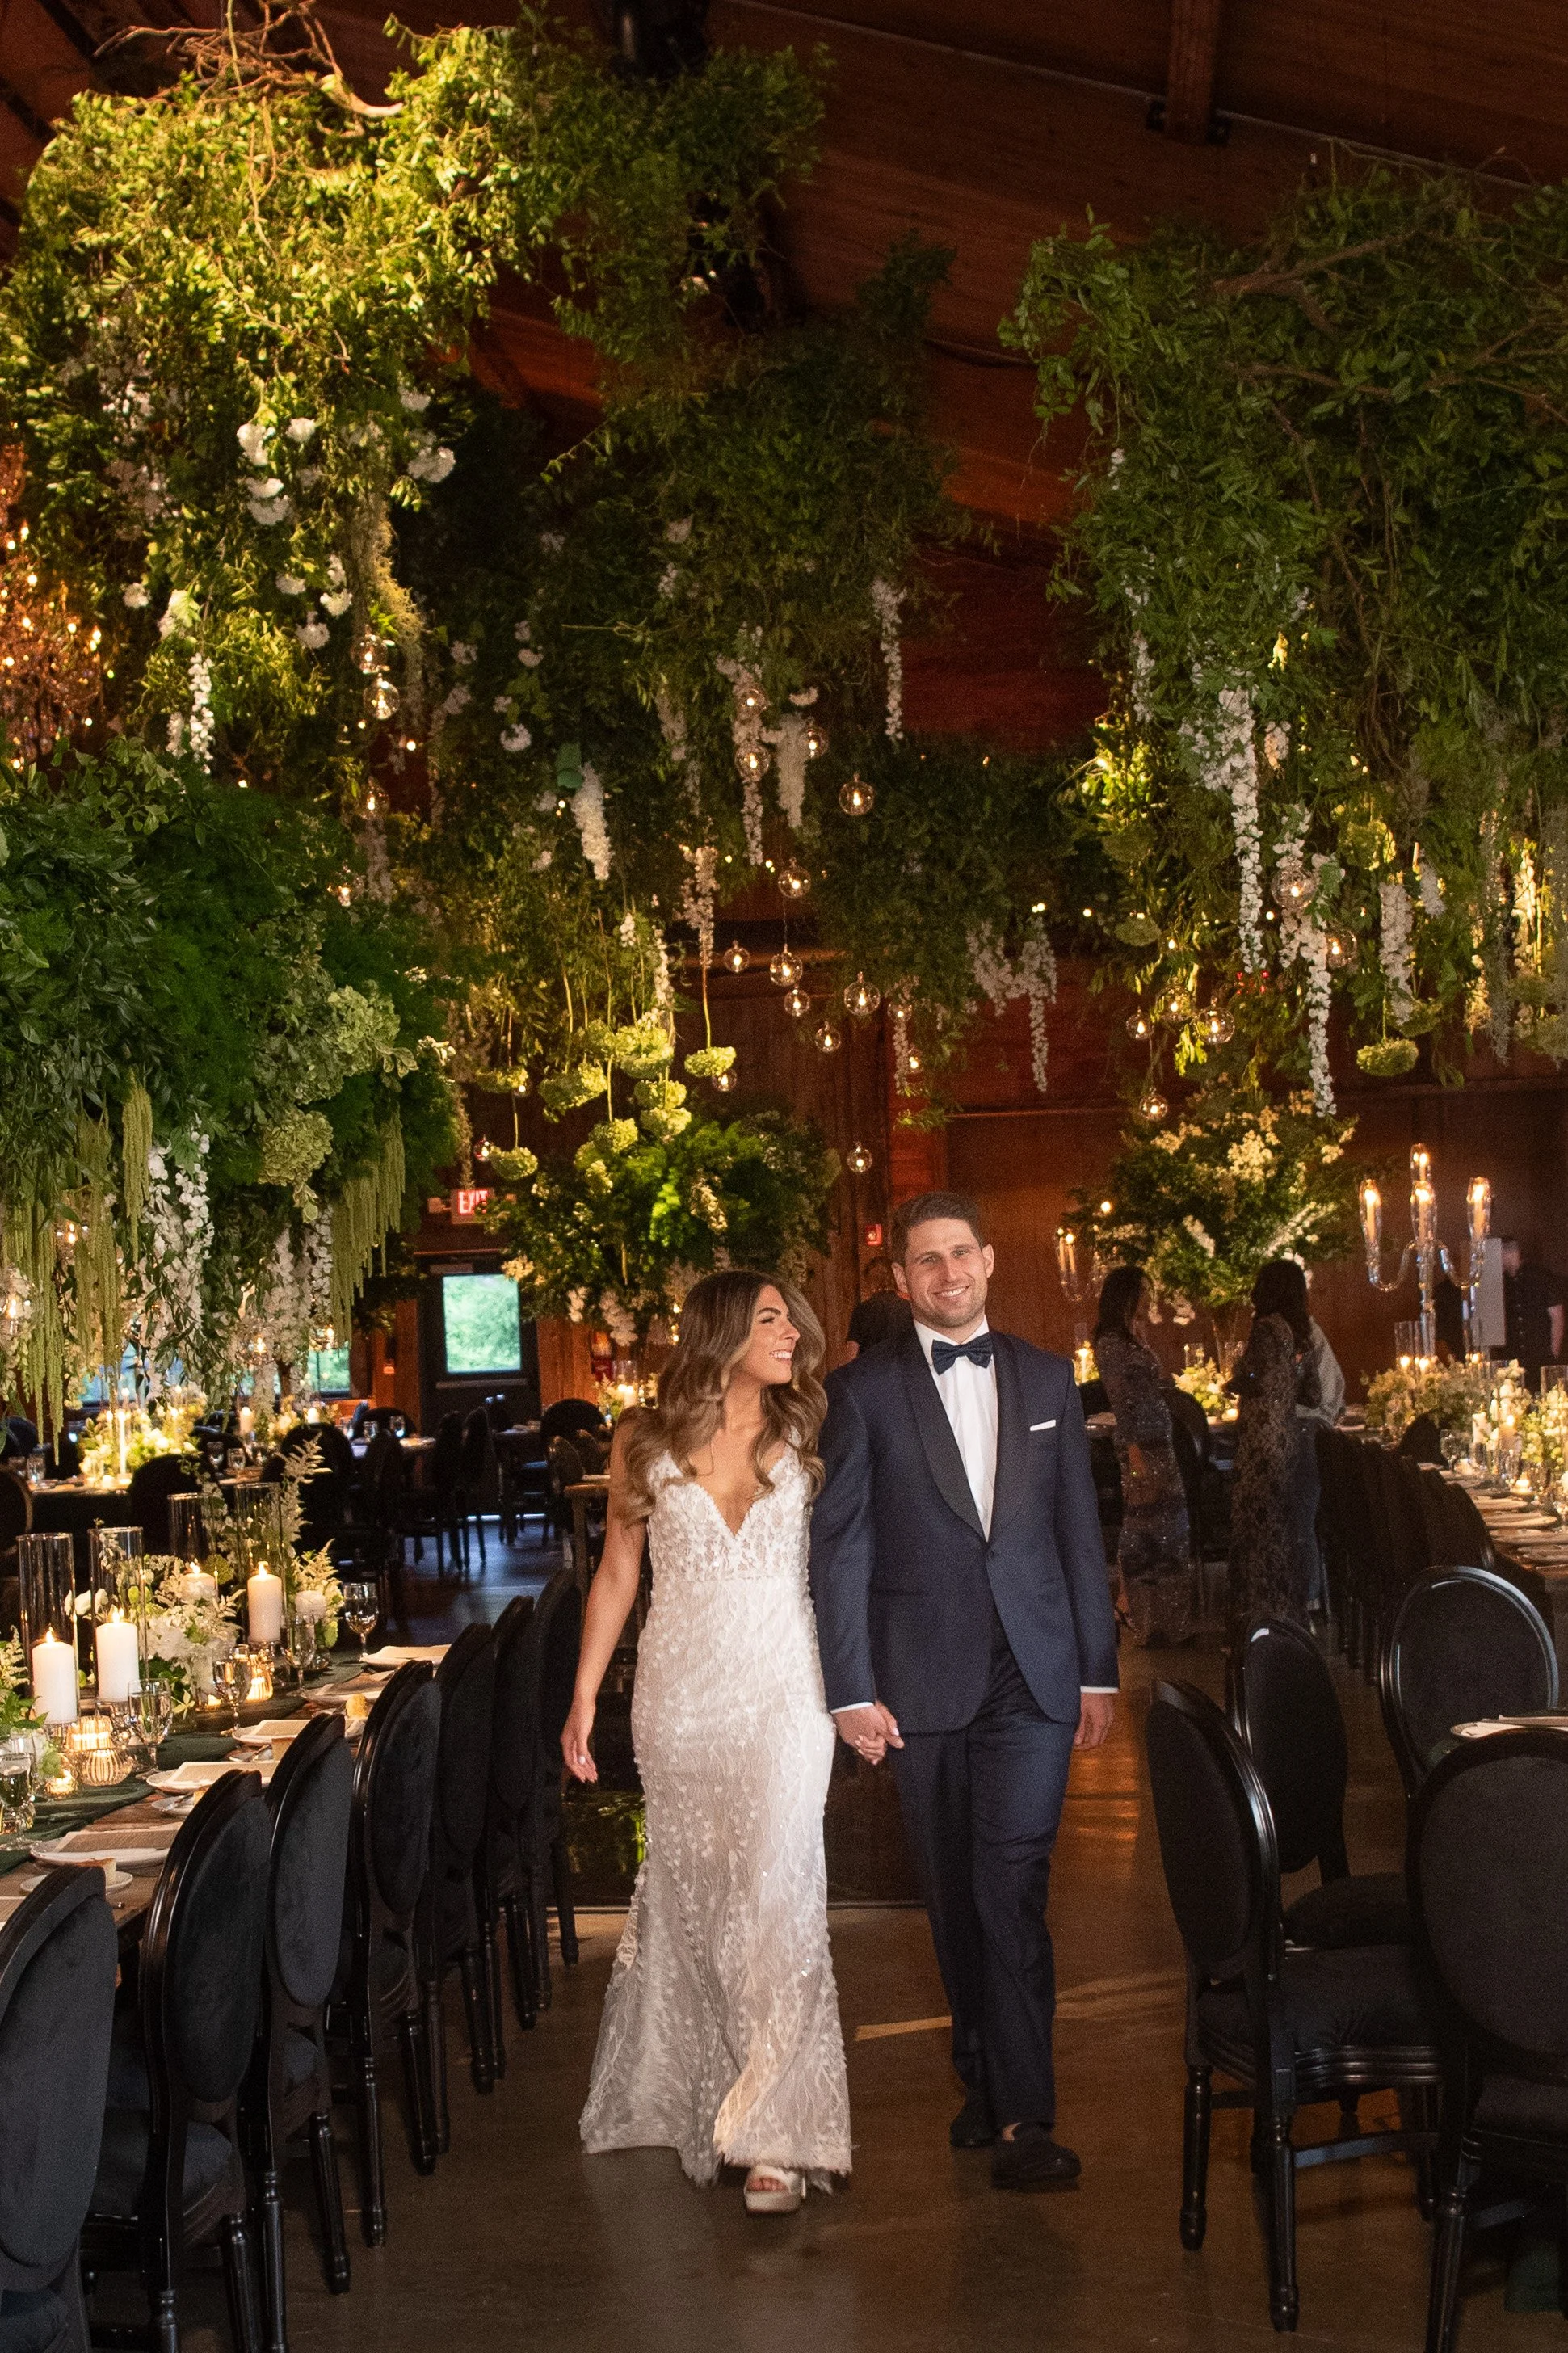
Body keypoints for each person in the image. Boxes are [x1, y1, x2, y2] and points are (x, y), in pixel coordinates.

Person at [809, 1190, 1116, 2193]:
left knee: (1012, 1888)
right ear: (900, 1280)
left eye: (962, 1254)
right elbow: (840, 1547)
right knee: (952, 1895)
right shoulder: (862, 1394)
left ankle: (1029, 2113)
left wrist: (1095, 1668)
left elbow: (1078, 1531)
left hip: (1033, 1675)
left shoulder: (1044, 1374)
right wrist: (850, 1685)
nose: (948, 1273)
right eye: (926, 1261)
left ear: (988, 1258)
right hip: (922, 1681)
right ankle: (981, 2073)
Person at [567, 1270, 850, 2215]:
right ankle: (696, 2080)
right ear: (720, 1330)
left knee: (780, 1888)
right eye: (770, 1318)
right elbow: (616, 1572)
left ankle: (778, 2134)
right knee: (697, 1893)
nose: (792, 1334)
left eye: (791, 1319)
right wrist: (580, 1699)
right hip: (677, 1699)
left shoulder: (808, 1430)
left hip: (784, 1692)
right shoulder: (641, 1440)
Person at [1091, 1265, 1192, 1648]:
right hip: (1141, 1446)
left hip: (1158, 1441)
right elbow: (1122, 1400)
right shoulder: (1112, 1344)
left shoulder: (1127, 1338)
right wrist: (1134, 1452)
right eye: (1141, 1294)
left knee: (1169, 1530)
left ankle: (1167, 1619)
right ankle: (1134, 1607)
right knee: (1144, 1528)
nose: (1148, 1300)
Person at [1230, 1261, 1323, 1626]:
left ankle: (1255, 1617)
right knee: (1279, 1531)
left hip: (1259, 1441)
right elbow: (1313, 1395)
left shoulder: (1266, 1328)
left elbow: (1255, 1377)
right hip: (1286, 1438)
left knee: (1254, 1533)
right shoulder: (1300, 1335)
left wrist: (1236, 1380)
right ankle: (1286, 1614)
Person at [1501, 1237, 1566, 1391]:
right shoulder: (1503, 1283)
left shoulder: (1540, 1276)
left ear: (1508, 1253)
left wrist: (1553, 1354)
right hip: (1514, 1357)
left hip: (1540, 1354)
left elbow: (1557, 1315)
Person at [843, 1253, 914, 1358]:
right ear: (895, 1277)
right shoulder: (911, 1308)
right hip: (904, 1370)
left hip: (871, 1371)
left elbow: (850, 1353)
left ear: (870, 1282)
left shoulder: (862, 1310)